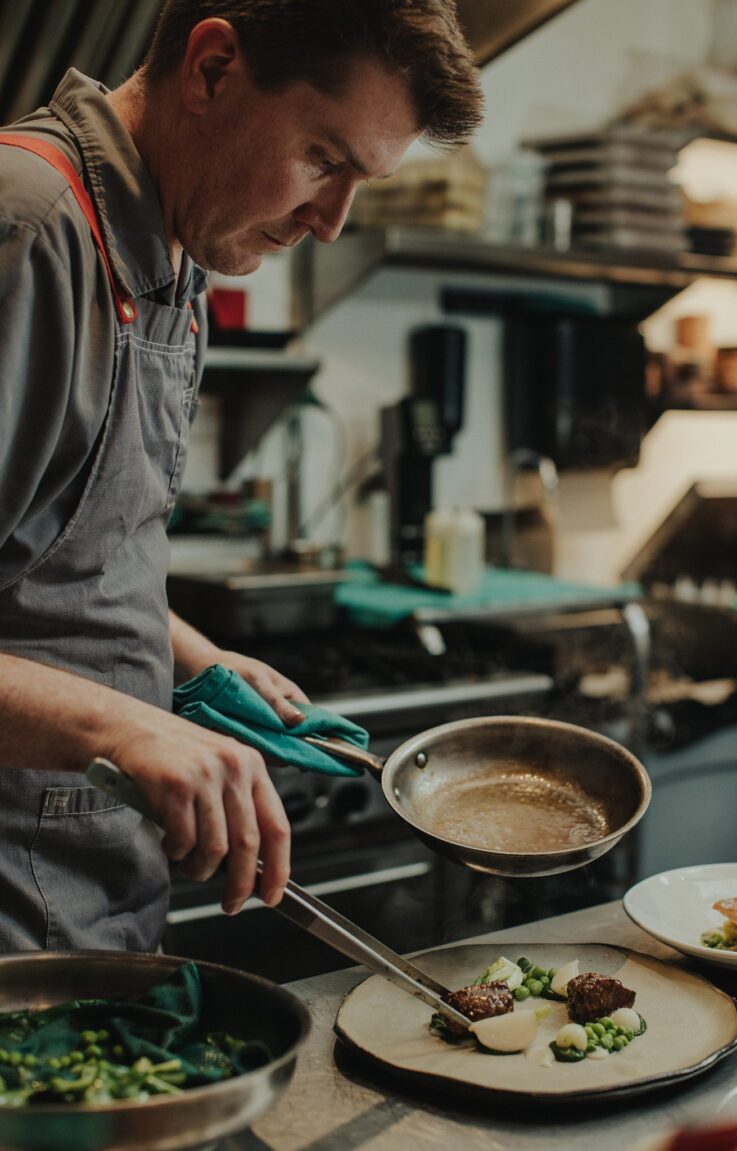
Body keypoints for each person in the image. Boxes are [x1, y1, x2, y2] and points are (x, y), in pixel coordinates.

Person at [0, 0, 483, 952]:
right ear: (213, 69)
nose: (333, 222)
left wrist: (193, 659)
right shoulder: (29, 230)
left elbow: (56, 559)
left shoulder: (171, 254)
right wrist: (125, 729)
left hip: (83, 894)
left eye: (362, 183)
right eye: (324, 160)